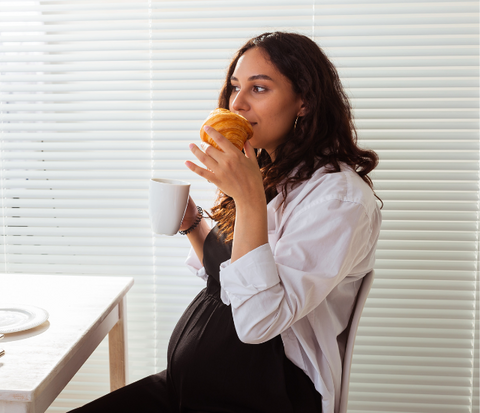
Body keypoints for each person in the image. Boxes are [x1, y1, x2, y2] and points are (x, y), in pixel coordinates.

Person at [70, 31, 381, 413]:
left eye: (259, 88)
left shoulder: (337, 199)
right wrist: (193, 225)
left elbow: (259, 322)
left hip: (262, 398)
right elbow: (227, 278)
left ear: (305, 101)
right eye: (235, 87)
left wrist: (247, 197)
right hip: (187, 389)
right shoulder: (268, 171)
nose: (237, 103)